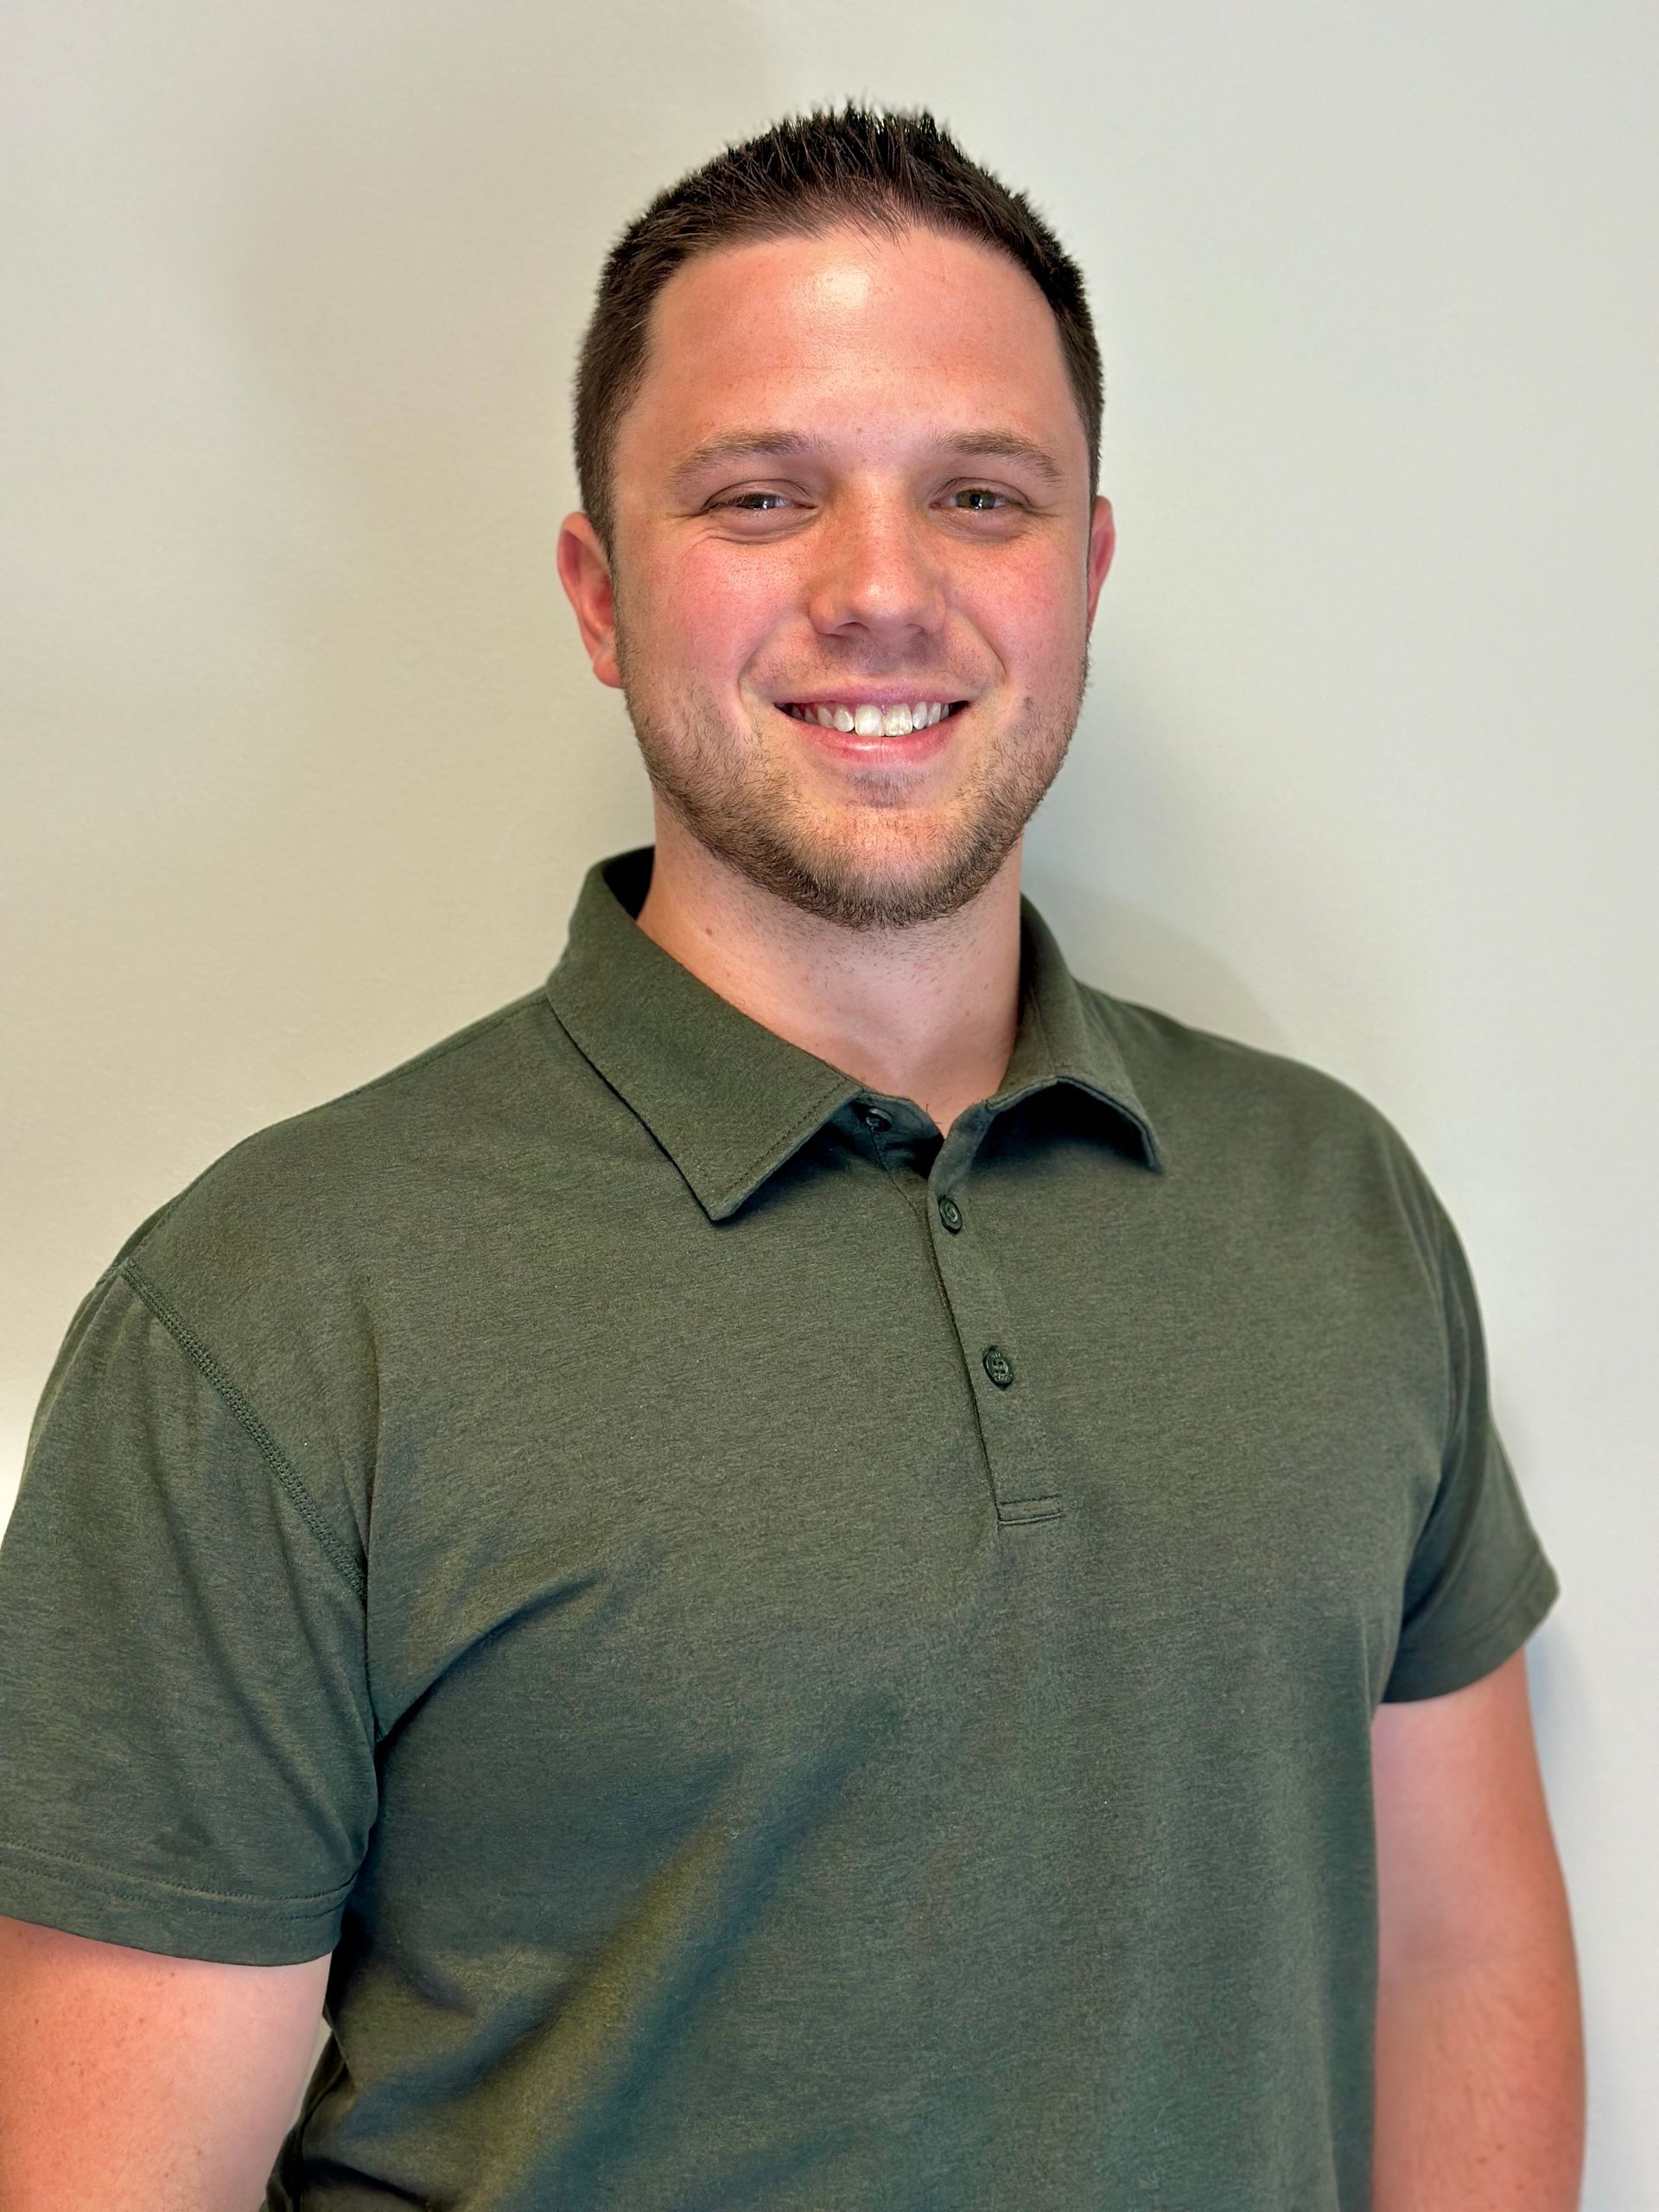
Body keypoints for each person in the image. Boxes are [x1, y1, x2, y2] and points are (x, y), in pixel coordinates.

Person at [0, 105, 1583, 2211]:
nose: (882, 590)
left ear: (1086, 570)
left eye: (980, 496)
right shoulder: (273, 1318)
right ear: (600, 591)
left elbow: (1456, 1949)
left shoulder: (1335, 1207)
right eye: (762, 496)